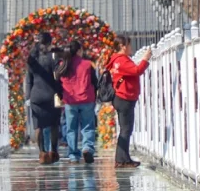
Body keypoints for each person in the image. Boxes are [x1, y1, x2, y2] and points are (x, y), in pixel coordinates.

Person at [105, 35, 151, 168]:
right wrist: (145, 59)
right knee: (126, 129)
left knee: (126, 129)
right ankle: (121, 160)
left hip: (123, 97)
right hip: (124, 97)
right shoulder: (121, 60)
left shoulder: (118, 60)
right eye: (129, 45)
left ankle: (124, 158)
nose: (131, 48)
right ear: (122, 46)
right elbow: (137, 70)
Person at [24, 31, 62, 164]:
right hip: (52, 95)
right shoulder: (52, 56)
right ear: (49, 42)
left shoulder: (32, 58)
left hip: (36, 96)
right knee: (54, 124)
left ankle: (42, 152)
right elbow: (58, 75)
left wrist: (28, 96)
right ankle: (54, 151)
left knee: (38, 126)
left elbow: (29, 79)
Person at [58, 39, 99, 165]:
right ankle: (87, 148)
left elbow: (59, 83)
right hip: (87, 99)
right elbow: (95, 81)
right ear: (79, 50)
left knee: (71, 128)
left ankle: (73, 155)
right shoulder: (87, 64)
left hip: (70, 101)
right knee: (87, 126)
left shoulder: (63, 65)